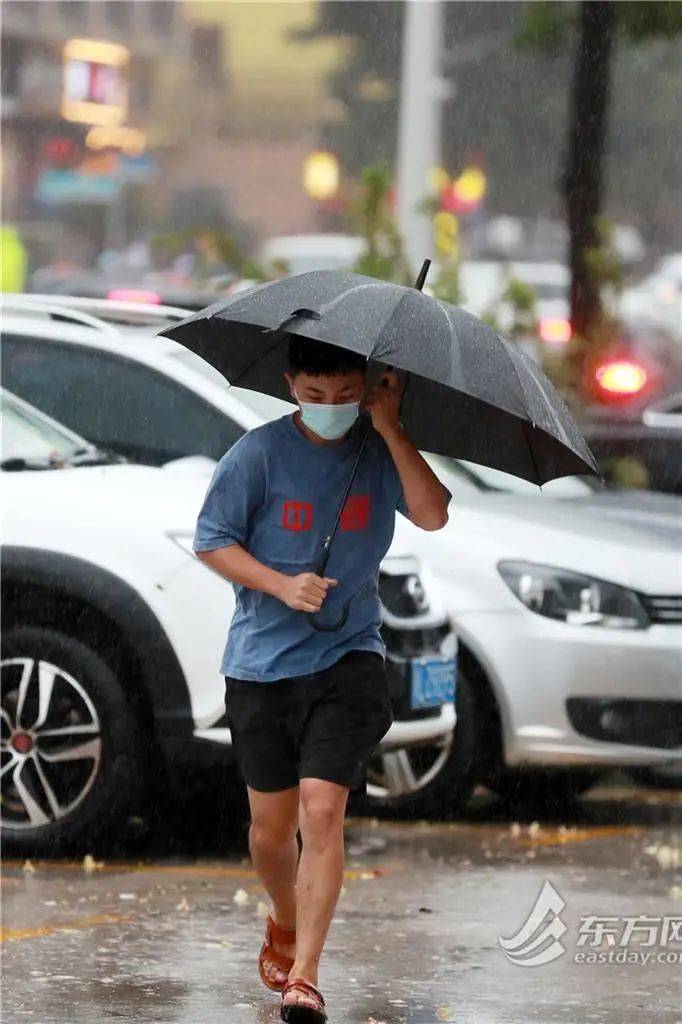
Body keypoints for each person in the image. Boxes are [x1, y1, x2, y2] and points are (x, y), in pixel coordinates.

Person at [192, 336, 451, 1022]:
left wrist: (392, 428)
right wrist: (281, 585)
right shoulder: (258, 455)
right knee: (270, 832)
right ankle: (283, 915)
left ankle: (305, 973)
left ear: (365, 387)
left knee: (322, 812)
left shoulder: (377, 448)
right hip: (261, 666)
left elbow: (432, 513)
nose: (330, 409)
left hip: (349, 659)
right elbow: (212, 540)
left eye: (344, 396)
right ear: (290, 386)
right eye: (314, 396)